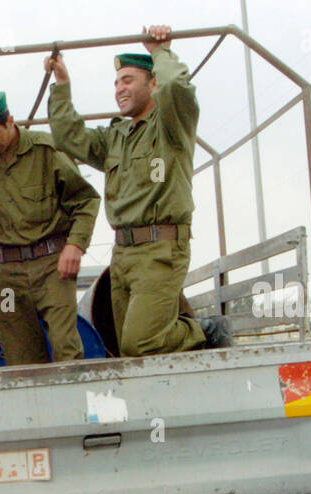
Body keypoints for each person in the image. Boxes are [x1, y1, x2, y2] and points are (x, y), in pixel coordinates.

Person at [46, 26, 230, 355]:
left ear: (153, 83)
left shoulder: (171, 124)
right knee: (127, 350)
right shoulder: (116, 137)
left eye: (128, 80)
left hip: (161, 249)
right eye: (116, 82)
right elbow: (66, 137)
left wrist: (160, 50)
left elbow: (176, 85)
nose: (119, 89)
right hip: (122, 254)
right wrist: (62, 85)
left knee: (140, 343)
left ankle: (202, 329)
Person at [0, 92, 100, 365]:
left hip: (53, 268)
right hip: (9, 276)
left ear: (10, 121)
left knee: (65, 346)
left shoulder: (46, 151)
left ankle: (72, 405)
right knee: (17, 352)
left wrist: (75, 245)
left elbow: (86, 200)